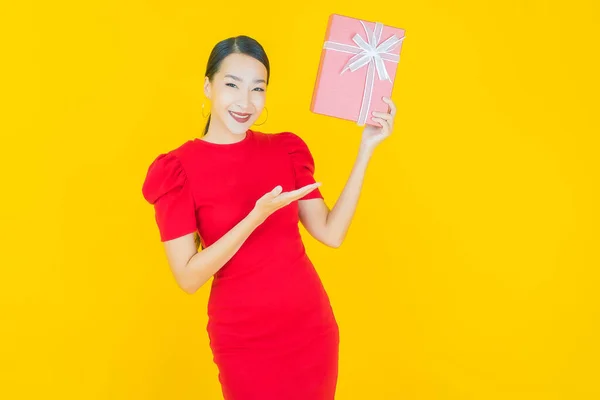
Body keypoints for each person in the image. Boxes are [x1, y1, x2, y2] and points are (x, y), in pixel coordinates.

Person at [141, 35, 396, 400]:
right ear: (208, 86)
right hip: (243, 339)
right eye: (232, 85)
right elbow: (188, 277)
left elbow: (331, 233)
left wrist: (366, 150)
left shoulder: (285, 149)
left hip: (310, 328)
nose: (245, 102)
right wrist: (254, 217)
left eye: (257, 89)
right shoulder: (178, 169)